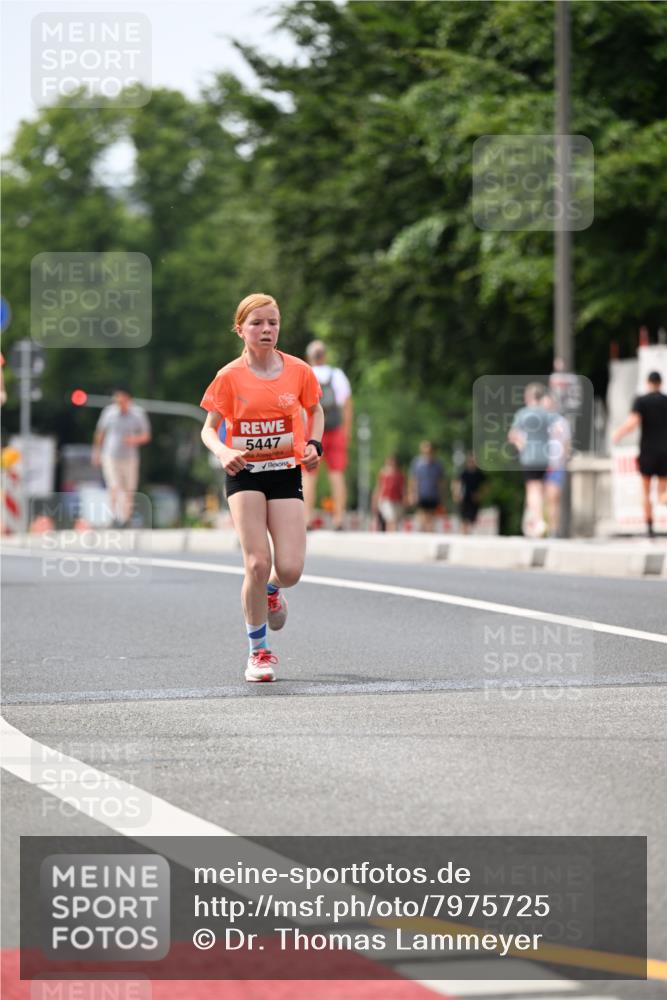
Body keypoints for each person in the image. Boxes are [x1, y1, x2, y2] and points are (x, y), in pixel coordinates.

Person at [200, 293, 324, 682]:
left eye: (272, 322)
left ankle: (272, 590)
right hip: (244, 474)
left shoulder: (299, 371)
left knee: (288, 569)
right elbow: (208, 429)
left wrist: (314, 445)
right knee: (256, 562)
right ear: (240, 330)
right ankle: (258, 652)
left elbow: (315, 410)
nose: (266, 329)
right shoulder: (228, 377)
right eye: (257, 323)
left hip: (285, 472)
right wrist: (223, 451)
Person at [302, 340, 352, 531]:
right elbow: (346, 405)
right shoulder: (337, 375)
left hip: (313, 430)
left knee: (309, 475)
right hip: (335, 429)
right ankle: (339, 518)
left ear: (309, 357)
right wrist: (346, 431)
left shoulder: (306, 374)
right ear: (326, 356)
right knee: (337, 474)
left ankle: (307, 518)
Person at [612, 370, 667, 537]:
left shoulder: (641, 401)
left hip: (648, 451)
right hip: (666, 451)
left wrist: (618, 434)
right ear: (661, 383)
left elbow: (633, 422)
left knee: (646, 490)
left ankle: (649, 527)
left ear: (648, 383)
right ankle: (664, 498)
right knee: (662, 492)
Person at [92, 388, 151, 528]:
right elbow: (100, 433)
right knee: (113, 486)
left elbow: (146, 435)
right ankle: (112, 517)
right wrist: (96, 452)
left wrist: (133, 440)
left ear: (129, 399)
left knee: (129, 489)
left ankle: (125, 518)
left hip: (130, 457)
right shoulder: (109, 413)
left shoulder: (138, 414)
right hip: (110, 456)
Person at [508, 382, 555, 538]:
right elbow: (557, 432)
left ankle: (538, 521)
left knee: (532, 489)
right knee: (541, 488)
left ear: (528, 397)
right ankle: (542, 520)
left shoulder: (522, 414)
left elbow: (513, 435)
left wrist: (522, 446)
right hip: (545, 456)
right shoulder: (547, 414)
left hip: (530, 456)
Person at [542, 392, 571, 537]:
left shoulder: (561, 422)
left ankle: (553, 531)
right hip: (540, 465)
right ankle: (542, 529)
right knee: (542, 499)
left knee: (553, 498)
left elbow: (566, 445)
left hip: (556, 465)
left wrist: (561, 462)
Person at [408, 441, 444, 532]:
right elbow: (413, 479)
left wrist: (441, 494)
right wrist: (412, 493)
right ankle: (423, 533)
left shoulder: (438, 464)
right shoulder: (417, 463)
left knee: (432, 516)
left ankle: (429, 533)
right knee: (422, 515)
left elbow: (440, 481)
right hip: (421, 493)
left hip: (433, 494)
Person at [453, 453, 486, 534]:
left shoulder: (479, 474)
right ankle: (464, 534)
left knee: (472, 519)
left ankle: (470, 534)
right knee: (464, 519)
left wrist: (480, 495)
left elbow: (486, 486)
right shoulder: (464, 473)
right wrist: (457, 494)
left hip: (474, 500)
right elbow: (457, 483)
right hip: (464, 499)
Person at [372, 455, 405, 531]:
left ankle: (392, 534)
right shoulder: (383, 474)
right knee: (389, 518)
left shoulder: (400, 475)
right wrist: (375, 500)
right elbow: (379, 487)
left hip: (397, 500)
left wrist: (405, 498)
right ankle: (390, 534)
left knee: (394, 519)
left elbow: (403, 488)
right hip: (386, 499)